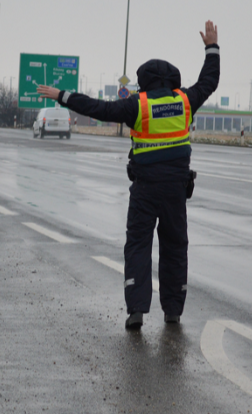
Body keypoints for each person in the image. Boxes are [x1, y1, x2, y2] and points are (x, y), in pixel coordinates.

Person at [36, 20, 219, 329]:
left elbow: (100, 109)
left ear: (144, 82)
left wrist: (62, 95)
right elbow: (209, 81)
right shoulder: (185, 101)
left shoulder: (138, 105)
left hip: (145, 189)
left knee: (138, 244)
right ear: (172, 81)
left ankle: (136, 310)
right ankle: (173, 310)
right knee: (175, 246)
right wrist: (211, 47)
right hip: (176, 190)